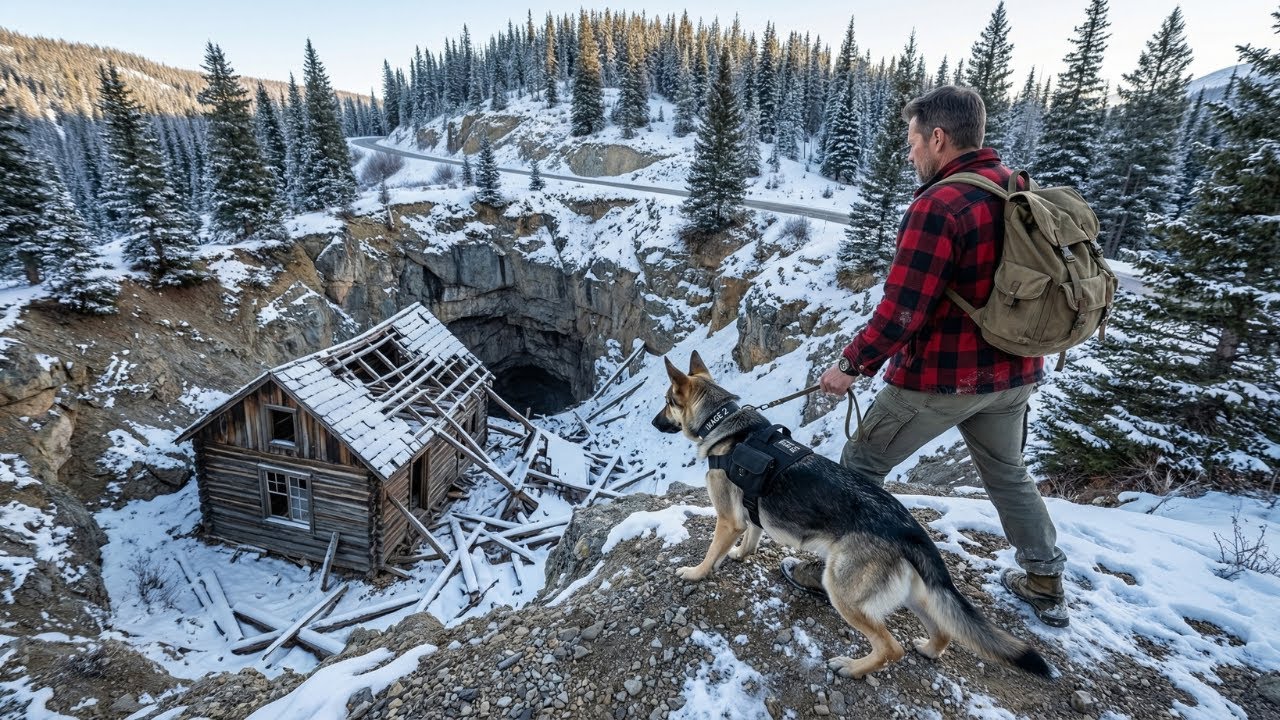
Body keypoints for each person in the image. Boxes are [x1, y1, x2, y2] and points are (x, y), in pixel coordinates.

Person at [782, 85, 1070, 627]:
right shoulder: (1015, 188)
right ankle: (1044, 580)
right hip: (1014, 373)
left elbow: (903, 311)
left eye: (913, 140)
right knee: (1008, 473)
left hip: (941, 379)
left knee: (859, 465)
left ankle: (837, 576)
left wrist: (850, 365)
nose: (910, 152)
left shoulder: (938, 205)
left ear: (938, 138)